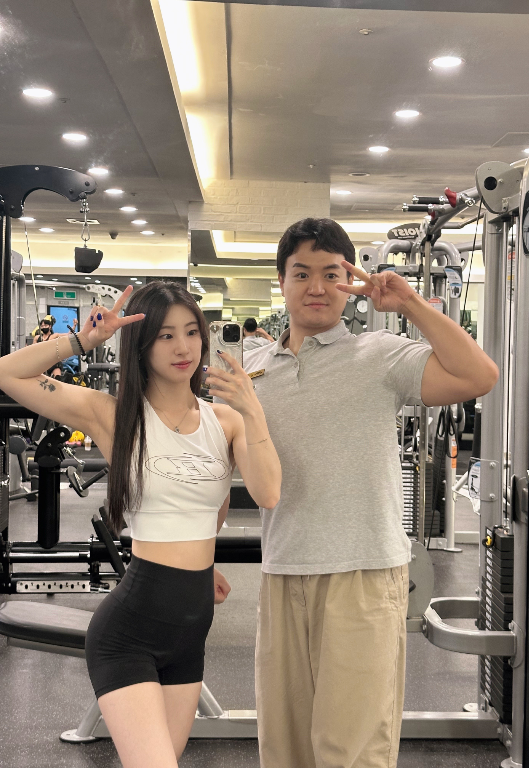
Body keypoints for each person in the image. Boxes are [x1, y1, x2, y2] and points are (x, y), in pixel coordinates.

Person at [239, 218, 499, 768]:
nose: (316, 287)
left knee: (350, 751)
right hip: (282, 570)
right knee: (283, 748)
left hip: (362, 572)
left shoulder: (380, 353)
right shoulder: (251, 368)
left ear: (348, 282)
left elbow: (479, 376)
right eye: (301, 274)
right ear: (281, 282)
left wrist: (411, 305)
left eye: (330, 274)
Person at [0, 281, 281, 768]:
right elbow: (7, 373)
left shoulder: (227, 422)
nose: (183, 347)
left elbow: (268, 494)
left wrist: (252, 410)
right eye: (166, 335)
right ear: (142, 345)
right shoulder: (112, 415)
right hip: (128, 633)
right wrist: (82, 341)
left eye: (191, 332)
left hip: (190, 636)